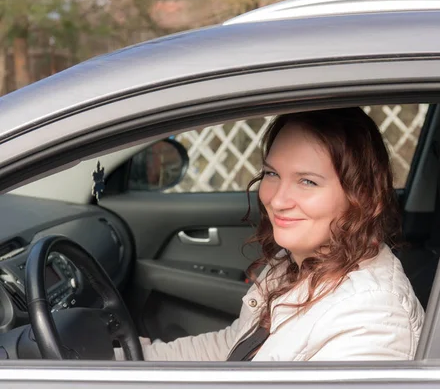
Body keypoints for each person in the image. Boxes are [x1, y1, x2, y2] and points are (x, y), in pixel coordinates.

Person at [117, 107, 424, 361]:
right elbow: (236, 348)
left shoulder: (372, 321)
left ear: (365, 195)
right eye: (272, 174)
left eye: (307, 182)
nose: (277, 200)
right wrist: (130, 358)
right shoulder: (298, 262)